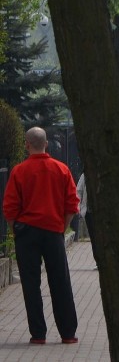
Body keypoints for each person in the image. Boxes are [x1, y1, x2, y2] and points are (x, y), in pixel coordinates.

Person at [2, 127, 79, 344]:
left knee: (30, 283)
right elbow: (72, 204)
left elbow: (10, 207)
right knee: (60, 282)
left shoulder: (18, 171)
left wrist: (15, 230)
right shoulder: (62, 170)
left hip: (27, 232)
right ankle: (68, 333)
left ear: (27, 145)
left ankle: (38, 334)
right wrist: (61, 228)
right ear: (46, 144)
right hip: (53, 231)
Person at [76, 173, 96, 257]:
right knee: (94, 237)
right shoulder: (85, 175)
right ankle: (97, 259)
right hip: (89, 212)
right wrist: (78, 206)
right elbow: (78, 191)